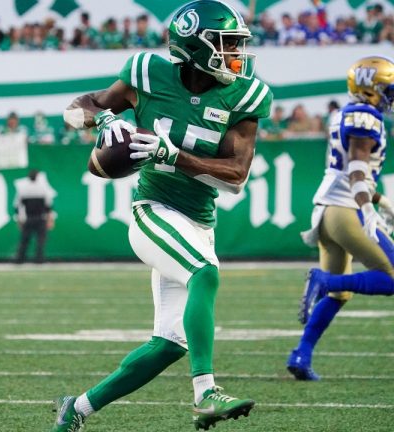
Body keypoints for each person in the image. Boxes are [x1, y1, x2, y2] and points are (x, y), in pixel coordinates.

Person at [54, 1, 272, 430]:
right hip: (152, 210)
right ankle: (206, 393)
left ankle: (75, 409)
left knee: (170, 344)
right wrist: (100, 122)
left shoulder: (245, 94)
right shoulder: (146, 72)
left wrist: (173, 156)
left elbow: (237, 175)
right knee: (205, 274)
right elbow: (77, 107)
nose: (236, 55)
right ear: (195, 47)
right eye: (226, 45)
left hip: (199, 222)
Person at [287, 56, 394, 381]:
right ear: (371, 87)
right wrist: (366, 207)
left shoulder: (343, 113)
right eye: (388, 88)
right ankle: (324, 280)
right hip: (346, 210)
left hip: (328, 211)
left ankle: (300, 355)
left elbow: (348, 168)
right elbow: (357, 169)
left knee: (340, 296)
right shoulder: (366, 115)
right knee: (391, 277)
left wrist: (379, 199)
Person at [13, 169, 55, 263]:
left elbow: (17, 206)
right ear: (38, 177)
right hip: (40, 218)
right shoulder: (43, 189)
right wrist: (50, 219)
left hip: (29, 218)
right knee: (40, 240)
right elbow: (48, 206)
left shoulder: (23, 189)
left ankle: (20, 259)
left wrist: (19, 219)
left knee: (24, 240)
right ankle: (39, 259)